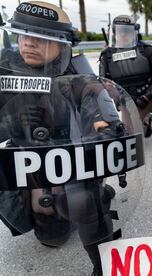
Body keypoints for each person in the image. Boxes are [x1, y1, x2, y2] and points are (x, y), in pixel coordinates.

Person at [0, 2, 143, 275]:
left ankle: (105, 263)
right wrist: (12, 122)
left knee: (82, 201)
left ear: (62, 44)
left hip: (70, 159)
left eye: (40, 37)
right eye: (23, 34)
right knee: (50, 231)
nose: (29, 42)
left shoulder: (79, 75)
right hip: (24, 163)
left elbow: (101, 110)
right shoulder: (2, 74)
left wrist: (106, 131)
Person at [99, 15, 152, 156]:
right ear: (114, 33)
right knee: (129, 148)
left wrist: (146, 97)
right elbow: (103, 83)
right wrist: (118, 100)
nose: (123, 35)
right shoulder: (106, 56)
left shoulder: (147, 51)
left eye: (126, 31)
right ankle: (145, 122)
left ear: (134, 32)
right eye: (119, 31)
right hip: (128, 103)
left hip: (151, 96)